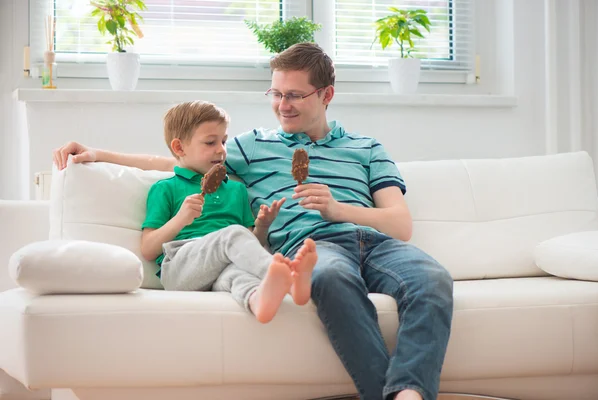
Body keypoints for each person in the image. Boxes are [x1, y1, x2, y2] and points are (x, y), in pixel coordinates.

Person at [53, 43, 454, 400]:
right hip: (314, 249)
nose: (283, 105)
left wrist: (339, 209)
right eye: (276, 94)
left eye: (295, 95)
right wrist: (98, 153)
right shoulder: (253, 146)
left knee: (432, 279)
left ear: (327, 94)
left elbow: (400, 225)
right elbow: (179, 162)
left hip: (376, 243)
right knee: (330, 278)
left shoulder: (367, 148)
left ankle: (408, 392)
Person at [144, 100, 317, 324]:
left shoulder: (236, 190)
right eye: (210, 142)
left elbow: (247, 244)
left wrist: (262, 226)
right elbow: (148, 249)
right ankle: (291, 279)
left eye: (224, 141)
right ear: (179, 148)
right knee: (232, 234)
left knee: (236, 275)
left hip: (221, 267)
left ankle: (258, 301)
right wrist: (180, 219)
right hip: (180, 268)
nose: (221, 149)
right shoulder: (165, 188)